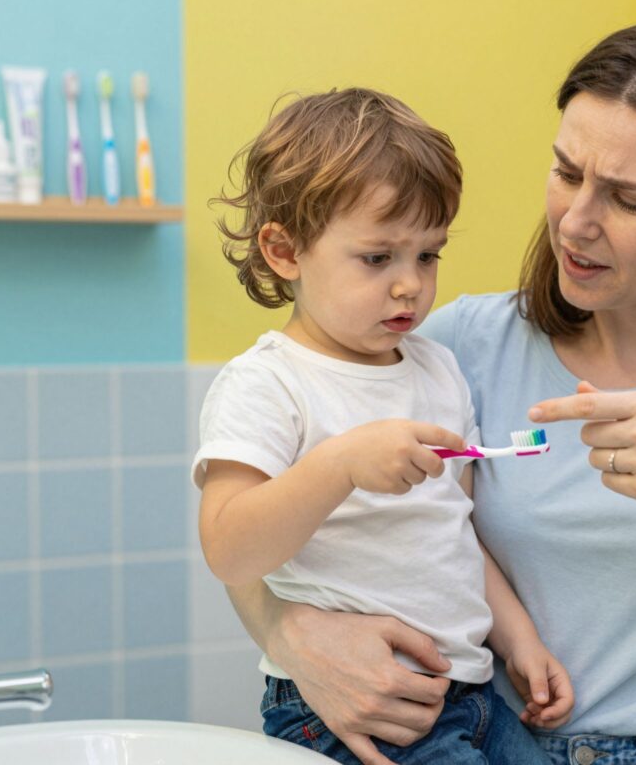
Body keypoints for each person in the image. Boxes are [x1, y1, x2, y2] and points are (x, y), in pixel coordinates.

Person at [226, 20, 636, 765]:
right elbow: (252, 527)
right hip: (481, 741)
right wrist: (292, 636)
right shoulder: (457, 345)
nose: (576, 220)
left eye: (628, 200)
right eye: (567, 172)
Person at [195, 87, 572, 765]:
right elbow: (229, 549)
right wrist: (337, 465)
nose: (410, 285)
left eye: (428, 255)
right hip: (350, 710)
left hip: (474, 695)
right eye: (378, 258)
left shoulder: (437, 370)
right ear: (284, 251)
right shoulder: (268, 384)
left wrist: (520, 641)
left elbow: (452, 531)